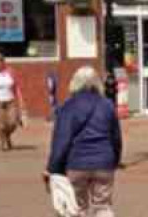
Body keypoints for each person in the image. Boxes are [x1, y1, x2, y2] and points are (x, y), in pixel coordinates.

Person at [45, 67, 123, 217]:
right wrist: (115, 160)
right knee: (102, 206)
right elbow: (116, 138)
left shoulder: (68, 106)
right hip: (104, 163)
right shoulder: (107, 105)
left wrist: (52, 168)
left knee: (78, 208)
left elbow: (61, 141)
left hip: (76, 164)